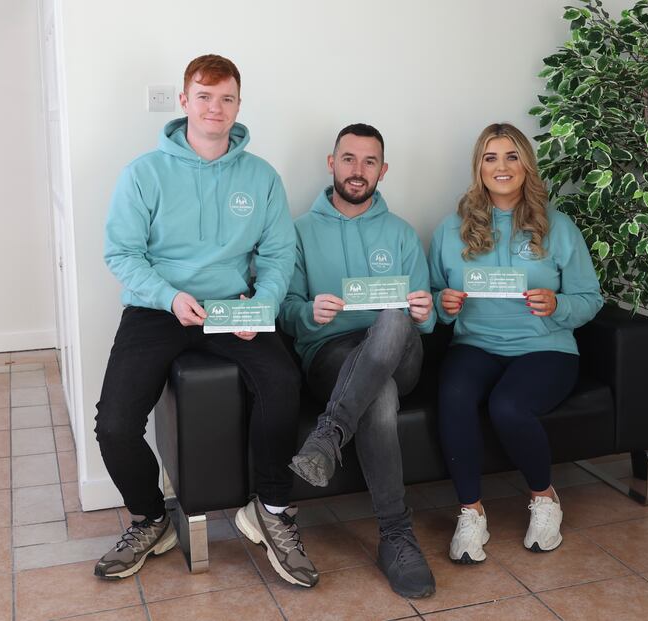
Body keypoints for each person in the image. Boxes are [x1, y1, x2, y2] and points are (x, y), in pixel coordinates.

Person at [94, 54, 318, 588]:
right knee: (115, 424)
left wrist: (261, 306)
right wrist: (170, 297)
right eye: (203, 95)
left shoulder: (261, 177)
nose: (214, 108)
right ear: (184, 101)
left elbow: (279, 253)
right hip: (158, 308)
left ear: (238, 104)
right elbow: (122, 254)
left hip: (233, 305)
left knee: (283, 383)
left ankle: (272, 509)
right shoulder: (144, 173)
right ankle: (151, 519)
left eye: (226, 98)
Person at [428, 123, 603, 563]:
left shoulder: (558, 227)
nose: (501, 167)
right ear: (478, 168)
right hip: (477, 344)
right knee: (453, 396)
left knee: (507, 406)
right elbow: (429, 299)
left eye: (511, 156)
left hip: (545, 347)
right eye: (490, 157)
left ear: (526, 164)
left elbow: (591, 298)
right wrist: (443, 303)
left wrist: (557, 305)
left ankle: (544, 499)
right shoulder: (451, 229)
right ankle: (470, 513)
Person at [280, 124, 437, 598]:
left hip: (401, 350)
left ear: (383, 170)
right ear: (331, 163)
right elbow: (283, 309)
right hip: (331, 356)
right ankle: (395, 534)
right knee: (379, 394)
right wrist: (308, 312)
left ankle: (328, 435)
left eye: (369, 162)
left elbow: (423, 316)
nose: (357, 170)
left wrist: (424, 313)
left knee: (393, 317)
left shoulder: (402, 232)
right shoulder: (298, 232)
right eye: (348, 159)